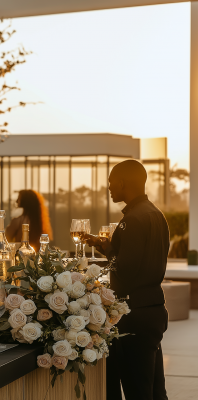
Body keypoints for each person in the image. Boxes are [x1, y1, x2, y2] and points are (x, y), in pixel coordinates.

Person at [84, 160, 169, 400]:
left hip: (134, 317)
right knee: (154, 391)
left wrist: (107, 253)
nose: (109, 188)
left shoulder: (131, 220)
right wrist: (106, 246)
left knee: (137, 391)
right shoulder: (156, 215)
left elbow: (125, 269)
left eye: (111, 183)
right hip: (153, 309)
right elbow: (140, 262)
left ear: (121, 182)